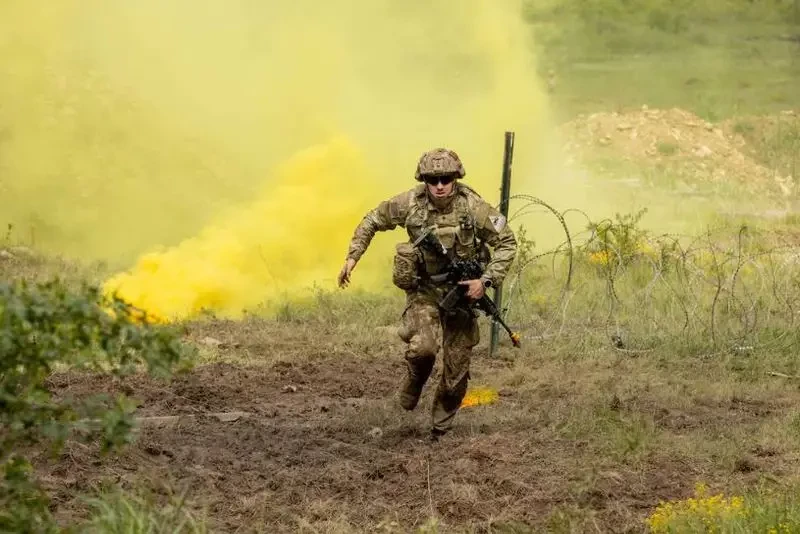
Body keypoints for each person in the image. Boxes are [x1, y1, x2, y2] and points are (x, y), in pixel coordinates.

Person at [337, 148, 517, 439]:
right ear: (424, 180)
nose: (440, 185)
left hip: (463, 297)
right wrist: (352, 257)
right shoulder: (410, 204)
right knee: (424, 349)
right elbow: (373, 219)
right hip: (426, 291)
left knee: (456, 374)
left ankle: (440, 431)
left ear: (455, 179)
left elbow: (507, 242)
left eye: (446, 178)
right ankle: (415, 379)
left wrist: (485, 280)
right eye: (433, 180)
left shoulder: (473, 208)